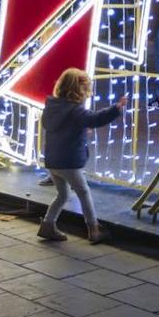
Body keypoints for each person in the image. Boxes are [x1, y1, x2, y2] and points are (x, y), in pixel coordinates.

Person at [38, 68, 127, 244]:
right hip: (68, 162)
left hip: (52, 161)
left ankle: (48, 225)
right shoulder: (75, 111)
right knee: (83, 192)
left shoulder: (52, 107)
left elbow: (62, 126)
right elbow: (95, 119)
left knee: (62, 195)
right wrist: (116, 108)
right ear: (79, 91)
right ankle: (93, 229)